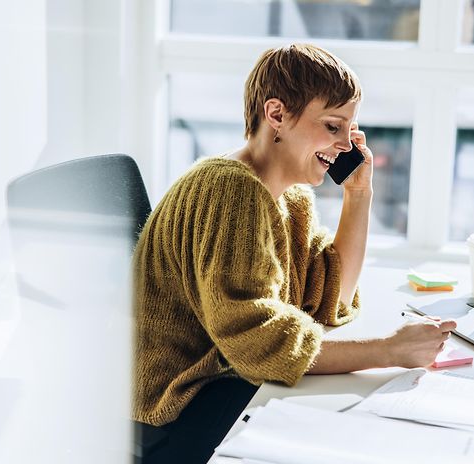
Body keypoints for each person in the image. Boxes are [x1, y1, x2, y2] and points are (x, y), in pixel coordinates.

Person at [132, 43, 455, 463]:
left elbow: (330, 296)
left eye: (350, 128)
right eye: (333, 126)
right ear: (277, 115)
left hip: (225, 384)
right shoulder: (230, 191)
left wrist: (359, 193)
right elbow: (257, 342)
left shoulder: (289, 196)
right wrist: (387, 351)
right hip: (174, 413)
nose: (346, 144)